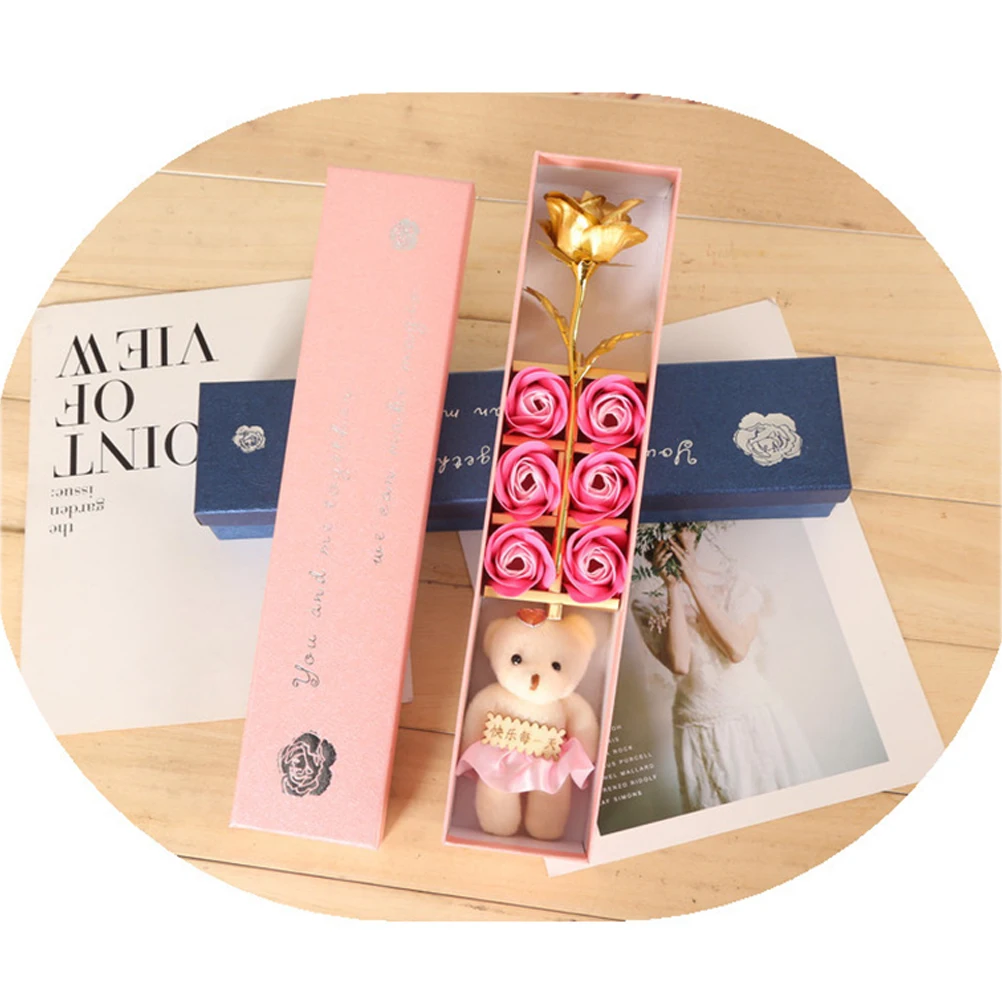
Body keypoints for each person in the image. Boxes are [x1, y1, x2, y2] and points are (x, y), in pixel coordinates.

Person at [631, 525, 821, 812]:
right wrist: (672, 587)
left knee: (789, 805)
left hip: (753, 715)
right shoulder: (646, 602)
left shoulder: (737, 584)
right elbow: (680, 663)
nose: (672, 541)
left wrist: (693, 580)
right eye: (662, 535)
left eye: (680, 531)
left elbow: (736, 649)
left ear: (696, 532)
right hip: (700, 726)